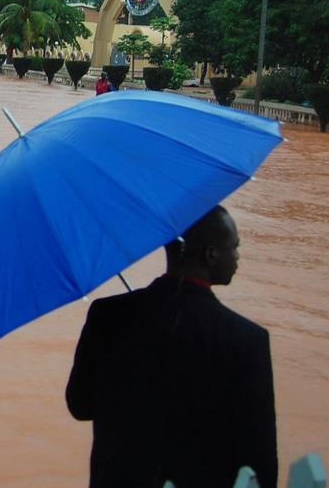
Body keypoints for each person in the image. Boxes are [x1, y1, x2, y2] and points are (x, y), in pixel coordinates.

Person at [66, 205, 277, 488]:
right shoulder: (246, 340)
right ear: (211, 254)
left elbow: (80, 405)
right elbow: (258, 457)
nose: (237, 256)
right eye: (234, 247)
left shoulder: (108, 315)